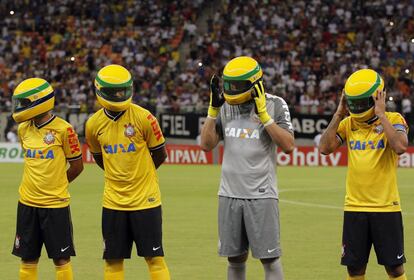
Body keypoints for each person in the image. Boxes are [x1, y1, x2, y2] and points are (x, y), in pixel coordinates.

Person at [200, 56, 295, 280]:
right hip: (228, 194)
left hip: (261, 195)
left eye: (237, 86)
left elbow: (288, 145)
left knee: (270, 259)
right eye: (228, 85)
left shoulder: (275, 104)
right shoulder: (224, 106)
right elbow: (206, 145)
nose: (231, 90)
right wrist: (213, 111)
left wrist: (264, 116)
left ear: (254, 83)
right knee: (234, 259)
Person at [319, 69, 408, 280]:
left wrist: (381, 114)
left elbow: (400, 146)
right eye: (353, 103)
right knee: (354, 269)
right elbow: (324, 148)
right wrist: (339, 113)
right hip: (354, 207)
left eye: (360, 103)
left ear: (378, 97)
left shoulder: (394, 119)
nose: (356, 108)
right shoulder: (349, 123)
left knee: (395, 269)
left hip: (386, 207)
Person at [85, 64, 170, 280]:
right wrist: (119, 174)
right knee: (113, 261)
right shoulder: (93, 124)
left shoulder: (144, 117)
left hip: (146, 200)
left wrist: (140, 174)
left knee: (155, 259)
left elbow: (160, 154)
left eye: (122, 91)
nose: (119, 95)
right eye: (114, 92)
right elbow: (99, 157)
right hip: (113, 201)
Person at [11, 77, 84, 280]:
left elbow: (77, 166)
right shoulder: (23, 129)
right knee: (27, 259)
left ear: (39, 101)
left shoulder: (64, 129)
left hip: (55, 205)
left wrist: (57, 184)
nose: (20, 108)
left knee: (61, 259)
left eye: (24, 103)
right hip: (27, 203)